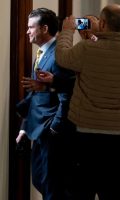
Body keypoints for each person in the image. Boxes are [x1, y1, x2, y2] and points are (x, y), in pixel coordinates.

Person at [55, 4, 120, 200]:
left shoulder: (86, 48)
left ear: (102, 23)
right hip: (119, 132)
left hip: (87, 129)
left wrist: (68, 30)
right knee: (112, 189)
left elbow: (62, 57)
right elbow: (108, 54)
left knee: (82, 189)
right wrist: (97, 36)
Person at [15, 8, 74, 200]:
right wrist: (25, 127)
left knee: (52, 186)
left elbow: (66, 94)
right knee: (40, 180)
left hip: (52, 131)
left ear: (44, 28)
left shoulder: (60, 54)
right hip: (38, 129)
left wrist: (55, 128)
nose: (27, 31)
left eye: (31, 27)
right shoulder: (41, 53)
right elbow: (36, 95)